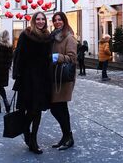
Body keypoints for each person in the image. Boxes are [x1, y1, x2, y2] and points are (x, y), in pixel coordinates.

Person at [12, 11, 53, 154]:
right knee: (30, 109)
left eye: (43, 19)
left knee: (38, 109)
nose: (41, 21)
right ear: (34, 21)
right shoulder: (26, 35)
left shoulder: (48, 37)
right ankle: (26, 132)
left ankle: (33, 139)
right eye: (38, 19)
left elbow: (48, 58)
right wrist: (17, 74)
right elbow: (19, 55)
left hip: (42, 78)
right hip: (28, 78)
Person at [49, 11, 77, 150]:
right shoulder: (53, 37)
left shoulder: (69, 37)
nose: (57, 22)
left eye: (60, 20)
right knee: (55, 108)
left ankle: (69, 137)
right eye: (55, 20)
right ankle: (65, 136)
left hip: (63, 78)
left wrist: (55, 57)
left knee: (61, 108)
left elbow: (72, 58)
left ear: (64, 21)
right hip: (54, 77)